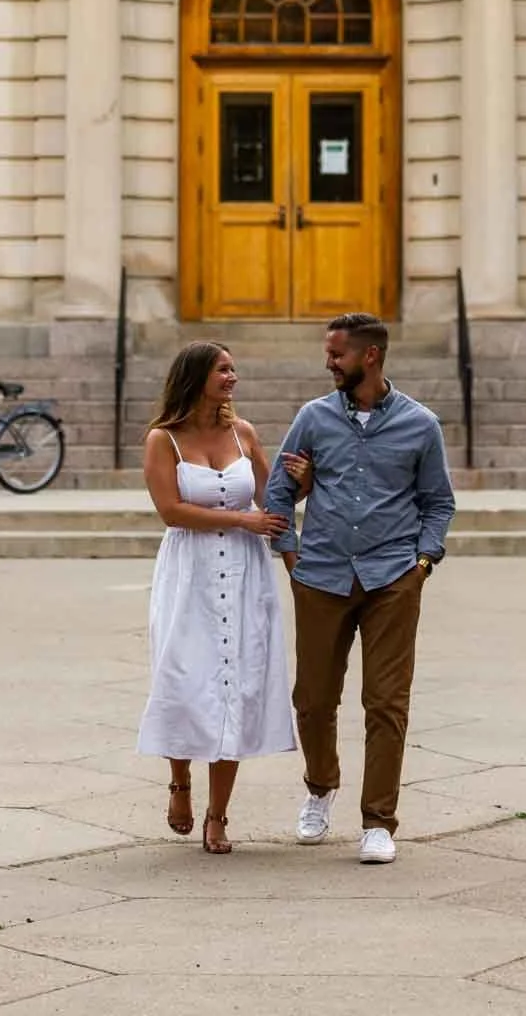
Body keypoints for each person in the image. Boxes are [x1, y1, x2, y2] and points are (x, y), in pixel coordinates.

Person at [262, 311, 456, 865]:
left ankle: (378, 821)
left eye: (337, 354)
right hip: (320, 575)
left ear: (369, 356)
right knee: (314, 700)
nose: (329, 362)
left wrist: (423, 560)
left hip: (393, 577)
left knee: (387, 703)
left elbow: (437, 501)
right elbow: (278, 491)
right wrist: (292, 555)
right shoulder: (313, 419)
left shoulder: (421, 424)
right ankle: (320, 788)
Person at [137, 340, 302, 854]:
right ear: (195, 376)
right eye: (222, 370)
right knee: (185, 680)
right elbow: (171, 510)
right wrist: (242, 519)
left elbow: (272, 502)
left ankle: (218, 815)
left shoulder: (244, 433)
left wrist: (302, 484)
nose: (232, 377)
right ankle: (181, 784)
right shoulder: (164, 440)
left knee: (238, 685)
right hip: (191, 575)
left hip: (246, 574)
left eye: (233, 368)